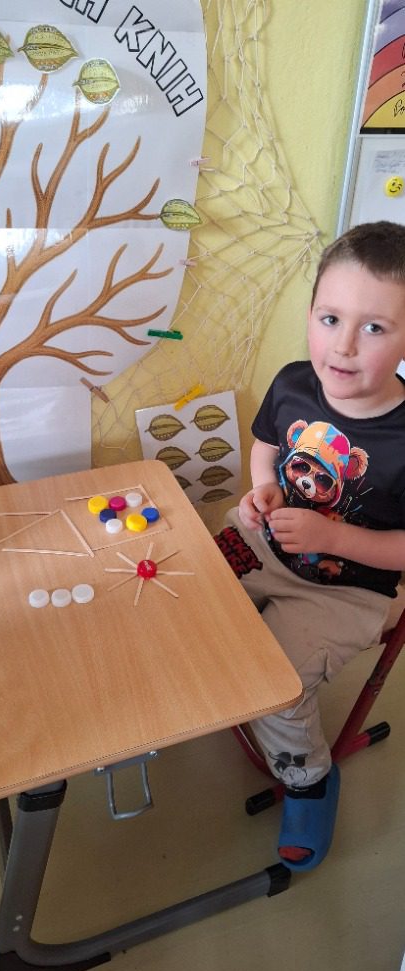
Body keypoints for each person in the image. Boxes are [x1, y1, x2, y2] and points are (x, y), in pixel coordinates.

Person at [215, 221, 405, 871]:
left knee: (276, 680)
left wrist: (335, 536)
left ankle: (310, 779)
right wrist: (262, 490)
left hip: (349, 591)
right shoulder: (294, 381)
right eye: (330, 318)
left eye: (374, 327)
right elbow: (267, 445)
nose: (343, 346)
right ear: (311, 313)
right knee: (188, 585)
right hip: (268, 541)